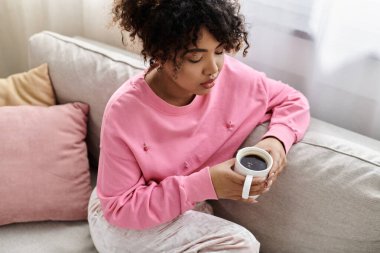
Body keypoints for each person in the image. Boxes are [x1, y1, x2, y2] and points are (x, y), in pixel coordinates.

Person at [88, 0, 310, 252]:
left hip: (182, 211)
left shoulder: (235, 80)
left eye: (219, 51)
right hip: (118, 220)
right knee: (240, 244)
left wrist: (277, 139)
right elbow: (120, 208)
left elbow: (293, 100)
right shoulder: (125, 111)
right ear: (161, 54)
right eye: (195, 57)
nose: (213, 69)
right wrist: (206, 184)